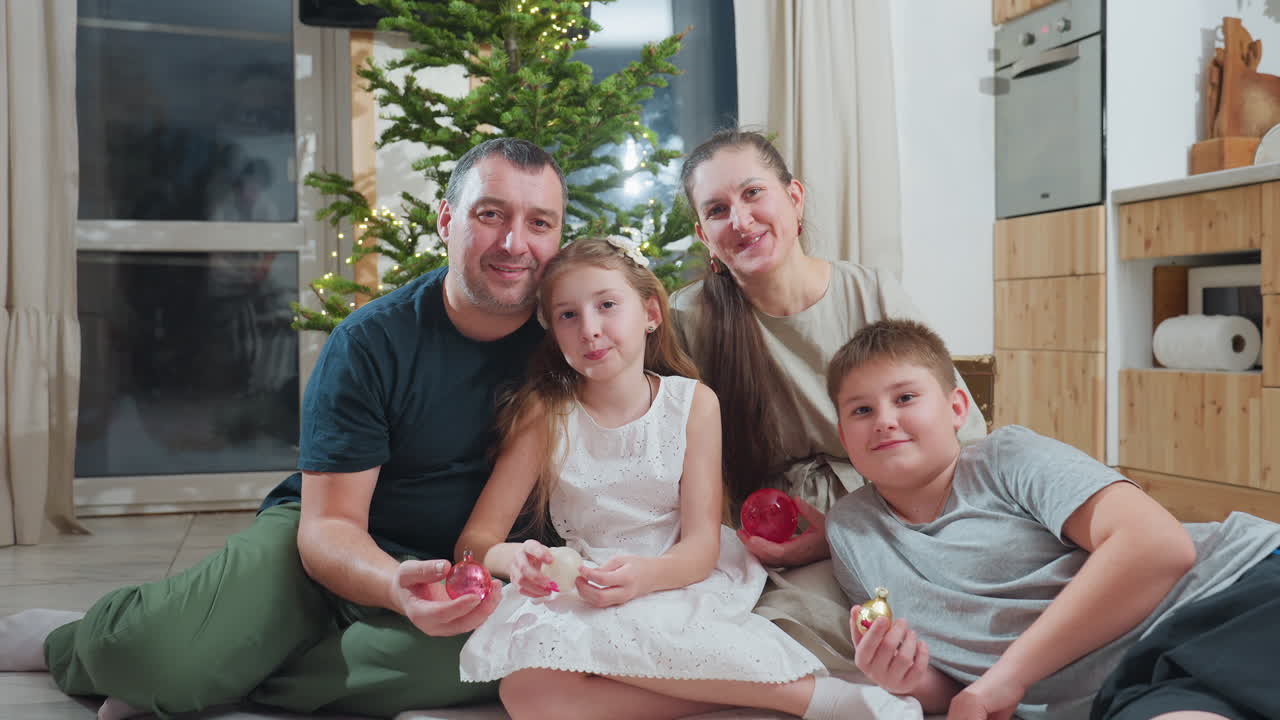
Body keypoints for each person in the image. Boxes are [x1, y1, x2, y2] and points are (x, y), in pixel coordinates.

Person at [0, 137, 568, 719]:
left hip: (466, 573)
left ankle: (211, 673)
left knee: (510, 655)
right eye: (490, 214)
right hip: (324, 541)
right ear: (448, 221)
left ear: (559, 237)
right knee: (144, 654)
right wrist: (396, 584)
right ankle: (77, 640)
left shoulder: (577, 341)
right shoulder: (372, 343)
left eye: (539, 223)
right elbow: (331, 528)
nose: (513, 243)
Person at [453, 237, 923, 720]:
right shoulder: (545, 415)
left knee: (623, 650)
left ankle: (815, 699)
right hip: (586, 585)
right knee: (526, 695)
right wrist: (519, 559)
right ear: (553, 332)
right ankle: (755, 691)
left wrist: (646, 578)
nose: (590, 330)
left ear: (651, 312)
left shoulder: (693, 404)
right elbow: (475, 542)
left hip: (674, 577)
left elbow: (700, 546)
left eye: (608, 305)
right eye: (568, 316)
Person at [824, 318, 1280, 720]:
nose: (884, 420)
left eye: (905, 397)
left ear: (957, 409)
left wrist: (1007, 678)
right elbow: (957, 687)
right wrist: (906, 678)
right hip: (1133, 686)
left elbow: (1158, 545)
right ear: (845, 437)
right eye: (862, 410)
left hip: (1229, 594)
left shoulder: (1006, 458)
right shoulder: (849, 533)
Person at [670, 128, 988, 671]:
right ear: (704, 235)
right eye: (718, 210)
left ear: (794, 197)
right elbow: (677, 462)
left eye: (753, 194)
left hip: (896, 506)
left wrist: (844, 530)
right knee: (770, 642)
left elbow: (957, 434)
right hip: (773, 533)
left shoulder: (872, 293)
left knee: (949, 623)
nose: (740, 221)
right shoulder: (688, 318)